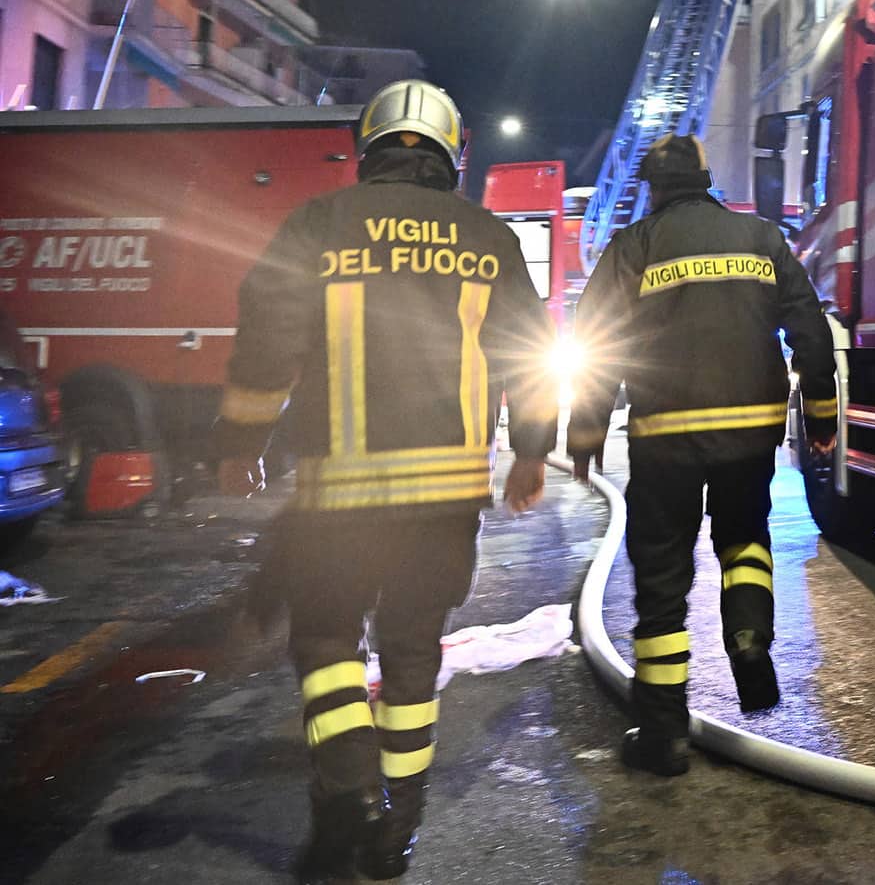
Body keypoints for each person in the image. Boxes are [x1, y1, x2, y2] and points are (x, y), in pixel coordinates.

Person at [214, 80, 559, 881]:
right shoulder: (486, 236)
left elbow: (266, 340)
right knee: (411, 655)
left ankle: (349, 792)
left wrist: (240, 440)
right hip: (445, 496)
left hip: (339, 494)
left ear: (369, 148)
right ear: (449, 152)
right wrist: (533, 452)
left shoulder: (317, 225)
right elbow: (529, 355)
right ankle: (397, 829)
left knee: (326, 641)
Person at [567, 133, 837, 777]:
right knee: (745, 537)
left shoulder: (633, 246)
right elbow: (812, 332)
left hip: (667, 435)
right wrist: (822, 418)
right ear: (707, 178)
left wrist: (584, 437)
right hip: (751, 430)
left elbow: (595, 344)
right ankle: (748, 637)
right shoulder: (762, 239)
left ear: (653, 187)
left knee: (662, 577)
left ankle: (663, 737)